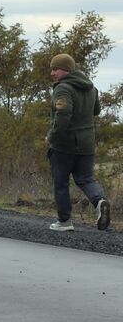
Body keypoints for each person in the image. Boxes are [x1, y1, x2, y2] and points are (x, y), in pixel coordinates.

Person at [45, 54, 109, 231]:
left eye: (55, 69)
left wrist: (51, 137)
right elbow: (96, 110)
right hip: (87, 144)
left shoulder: (63, 89)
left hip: (64, 145)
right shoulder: (91, 88)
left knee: (61, 182)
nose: (52, 73)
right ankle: (100, 202)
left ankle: (64, 222)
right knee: (86, 179)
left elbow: (63, 116)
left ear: (66, 69)